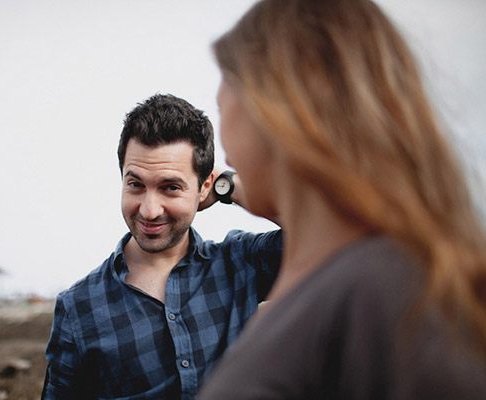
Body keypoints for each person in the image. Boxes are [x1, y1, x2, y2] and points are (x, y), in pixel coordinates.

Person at [198, 0, 486, 399]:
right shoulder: (357, 277)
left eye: (224, 94)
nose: (221, 125)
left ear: (280, 102)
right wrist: (226, 188)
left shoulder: (385, 289)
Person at [42, 94, 282, 399]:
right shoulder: (79, 307)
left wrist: (231, 186)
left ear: (204, 186)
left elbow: (337, 236)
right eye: (136, 185)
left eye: (170, 187)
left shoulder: (241, 262)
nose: (149, 209)